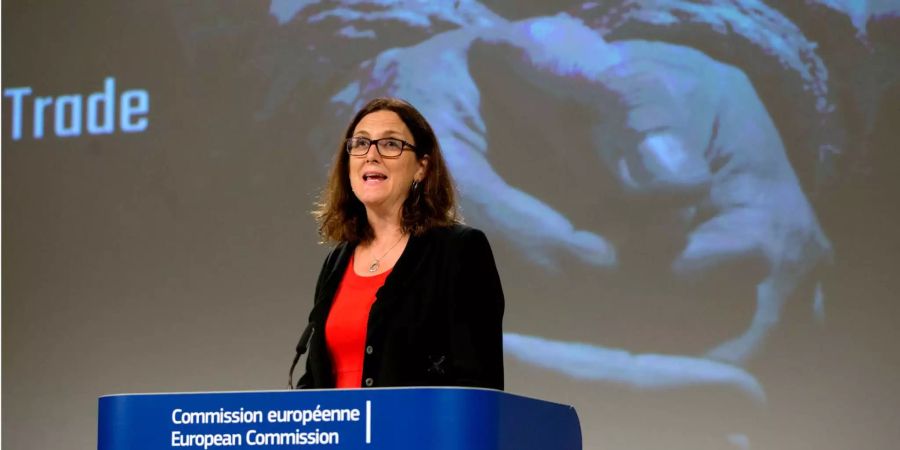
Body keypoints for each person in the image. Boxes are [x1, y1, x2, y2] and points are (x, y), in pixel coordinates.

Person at [293, 97, 505, 390]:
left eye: (391, 144)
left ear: (422, 166)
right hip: (342, 436)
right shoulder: (336, 261)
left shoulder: (459, 251)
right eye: (361, 143)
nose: (371, 155)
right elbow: (315, 379)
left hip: (415, 435)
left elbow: (477, 384)